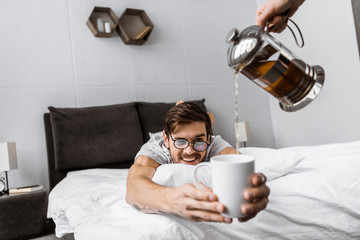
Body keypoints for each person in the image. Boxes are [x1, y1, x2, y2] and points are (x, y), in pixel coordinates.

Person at [126, 102, 270, 223]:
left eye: (199, 141)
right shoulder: (154, 150)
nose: (189, 151)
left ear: (209, 138)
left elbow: (235, 160)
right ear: (166, 140)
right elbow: (133, 187)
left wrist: (250, 187)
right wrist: (173, 200)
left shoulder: (213, 142)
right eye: (180, 141)